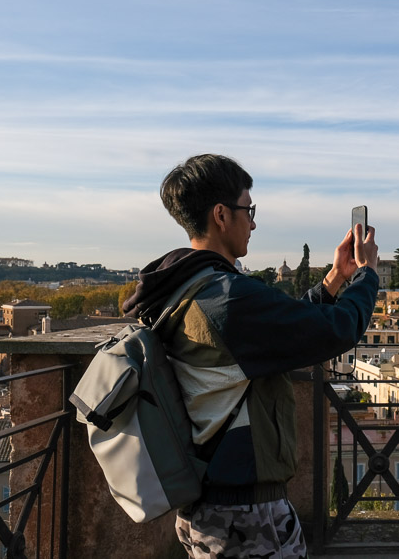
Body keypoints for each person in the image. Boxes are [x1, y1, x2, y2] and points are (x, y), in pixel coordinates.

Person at [122, 154, 378, 558]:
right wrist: (366, 275)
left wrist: (334, 279)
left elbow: (279, 328)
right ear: (222, 214)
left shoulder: (185, 288)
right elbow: (334, 330)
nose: (254, 222)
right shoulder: (225, 298)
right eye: (249, 209)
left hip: (207, 504)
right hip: (243, 514)